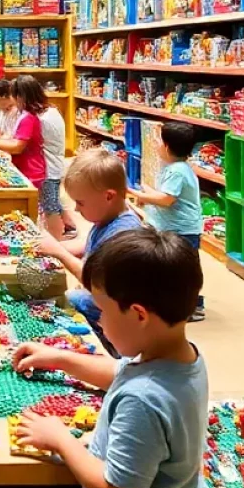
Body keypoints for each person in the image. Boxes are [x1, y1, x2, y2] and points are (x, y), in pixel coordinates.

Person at [11, 229, 210, 488]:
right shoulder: (180, 357)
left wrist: (60, 439)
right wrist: (59, 358)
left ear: (139, 315)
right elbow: (120, 371)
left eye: (102, 310)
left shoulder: (143, 400)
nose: (100, 320)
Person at [37, 149, 141, 354]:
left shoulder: (123, 234)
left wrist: (59, 252)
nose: (76, 209)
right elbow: (91, 245)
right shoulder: (107, 218)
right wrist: (52, 248)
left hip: (105, 324)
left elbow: (95, 284)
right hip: (94, 306)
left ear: (108, 196)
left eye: (80, 202)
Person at [128, 122, 206, 322]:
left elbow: (166, 200)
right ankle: (179, 304)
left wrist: (136, 193)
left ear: (167, 147)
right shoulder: (174, 167)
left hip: (181, 230)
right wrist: (147, 192)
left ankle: (190, 306)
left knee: (181, 271)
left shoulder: (177, 171)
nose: (156, 144)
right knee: (172, 269)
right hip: (173, 227)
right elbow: (164, 195)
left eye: (159, 141)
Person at [0, 75, 46, 191]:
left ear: (19, 97)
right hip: (25, 169)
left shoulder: (27, 117)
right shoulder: (25, 115)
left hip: (30, 171)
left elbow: (17, 147)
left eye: (12, 95)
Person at [31, 79, 67, 240]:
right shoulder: (52, 111)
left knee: (50, 208)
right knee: (53, 204)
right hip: (53, 166)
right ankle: (64, 230)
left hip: (49, 169)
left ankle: (57, 242)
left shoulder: (42, 119)